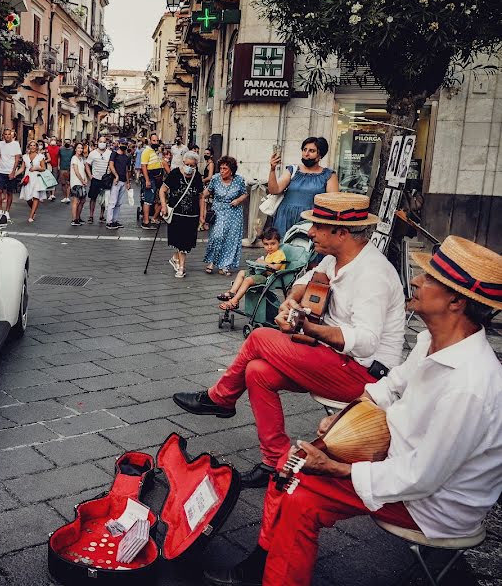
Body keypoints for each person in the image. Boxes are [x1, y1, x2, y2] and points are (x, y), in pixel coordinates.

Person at [205, 235, 502, 586]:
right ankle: (267, 563)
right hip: (404, 464)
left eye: (432, 278)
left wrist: (337, 467)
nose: (418, 280)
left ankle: (270, 567)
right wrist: (341, 421)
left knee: (299, 486)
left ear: (456, 301)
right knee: (293, 467)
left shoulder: (469, 387)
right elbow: (388, 389)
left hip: (434, 504)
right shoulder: (430, 341)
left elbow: (421, 478)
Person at [174, 192, 406, 488]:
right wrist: (291, 302)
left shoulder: (373, 274)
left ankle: (220, 398)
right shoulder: (335, 259)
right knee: (257, 372)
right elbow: (304, 280)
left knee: (258, 337)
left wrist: (309, 328)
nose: (310, 232)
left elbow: (366, 342)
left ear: (342, 232)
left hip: (365, 376)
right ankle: (276, 461)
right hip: (331, 359)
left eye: (318, 226)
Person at [270, 137, 339, 237]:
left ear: (320, 155)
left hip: (311, 221)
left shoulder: (329, 175)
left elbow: (332, 204)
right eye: (304, 150)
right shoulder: (292, 170)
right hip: (285, 217)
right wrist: (272, 169)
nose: (306, 154)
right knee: (283, 250)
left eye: (312, 151)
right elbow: (274, 190)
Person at [159, 151, 206, 278]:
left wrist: (202, 215)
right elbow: (162, 190)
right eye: (188, 164)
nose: (190, 167)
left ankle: (175, 258)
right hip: (177, 213)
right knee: (180, 242)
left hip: (192, 215)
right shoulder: (174, 174)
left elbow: (201, 197)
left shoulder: (197, 177)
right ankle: (181, 268)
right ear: (183, 162)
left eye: (193, 165)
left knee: (187, 242)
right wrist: (163, 205)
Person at [217, 227, 287, 310]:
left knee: (248, 280)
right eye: (266, 244)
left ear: (279, 242)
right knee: (242, 272)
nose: (269, 247)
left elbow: (275, 268)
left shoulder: (279, 254)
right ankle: (232, 292)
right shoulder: (270, 253)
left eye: (273, 244)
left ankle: (234, 301)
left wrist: (263, 262)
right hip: (263, 274)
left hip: (271, 278)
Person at [202, 156, 248, 275]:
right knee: (216, 236)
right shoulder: (215, 179)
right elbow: (206, 193)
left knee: (230, 239)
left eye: (225, 168)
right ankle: (212, 261)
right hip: (218, 211)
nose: (222, 171)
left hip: (234, 213)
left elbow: (244, 194)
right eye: (221, 168)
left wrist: (238, 200)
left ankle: (225, 265)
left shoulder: (239, 180)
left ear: (231, 170)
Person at [0, 129, 22, 225]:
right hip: (1, 171)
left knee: (9, 192)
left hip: (10, 171)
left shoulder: (15, 144)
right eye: (5, 134)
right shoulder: (0, 144)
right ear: (3, 135)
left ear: (11, 135)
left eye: (9, 134)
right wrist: (0, 165)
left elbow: (17, 159)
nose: (7, 136)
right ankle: (0, 209)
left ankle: (7, 211)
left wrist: (13, 171)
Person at [18, 140, 47, 223]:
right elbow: (22, 168)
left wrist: (36, 168)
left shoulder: (40, 156)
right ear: (28, 147)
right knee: (28, 198)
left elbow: (43, 168)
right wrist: (14, 174)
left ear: (36, 147)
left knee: (35, 196)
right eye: (31, 145)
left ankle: (31, 215)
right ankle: (33, 210)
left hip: (37, 177)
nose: (33, 147)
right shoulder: (25, 156)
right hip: (28, 178)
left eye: (34, 145)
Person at [105, 141, 131, 229]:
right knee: (112, 202)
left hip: (123, 181)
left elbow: (127, 170)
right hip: (115, 181)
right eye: (122, 144)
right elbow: (111, 165)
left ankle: (115, 220)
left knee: (119, 203)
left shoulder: (127, 157)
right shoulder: (114, 154)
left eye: (125, 144)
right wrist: (116, 176)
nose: (124, 146)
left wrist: (128, 182)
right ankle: (109, 221)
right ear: (119, 145)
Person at [140, 134, 164, 229]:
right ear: (150, 140)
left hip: (156, 178)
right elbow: (143, 166)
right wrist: (147, 180)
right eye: (154, 141)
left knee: (152, 199)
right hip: (150, 177)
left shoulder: (155, 151)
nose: (156, 142)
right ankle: (146, 221)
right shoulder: (146, 151)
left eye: (157, 141)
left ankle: (148, 220)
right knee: (148, 199)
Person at [86, 136, 112, 224]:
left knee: (104, 198)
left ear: (106, 143)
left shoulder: (110, 153)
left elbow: (112, 164)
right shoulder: (92, 153)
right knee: (93, 198)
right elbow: (87, 164)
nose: (102, 143)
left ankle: (101, 215)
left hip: (106, 179)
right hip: (95, 179)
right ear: (97, 142)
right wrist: (90, 175)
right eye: (101, 141)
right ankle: (91, 215)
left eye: (104, 142)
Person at [69, 143, 89, 226]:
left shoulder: (81, 158)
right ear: (75, 149)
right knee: (76, 201)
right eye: (78, 148)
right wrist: (81, 180)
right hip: (76, 182)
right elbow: (76, 171)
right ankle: (74, 219)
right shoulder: (74, 158)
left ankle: (78, 217)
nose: (80, 150)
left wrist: (85, 179)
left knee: (83, 200)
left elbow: (83, 170)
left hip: (81, 182)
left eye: (81, 148)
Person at [199, 146, 216, 231]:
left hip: (208, 186)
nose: (206, 155)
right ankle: (204, 223)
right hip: (206, 185)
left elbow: (210, 177)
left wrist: (202, 180)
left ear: (211, 155)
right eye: (205, 153)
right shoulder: (208, 163)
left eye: (208, 154)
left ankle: (204, 223)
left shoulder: (211, 164)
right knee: (205, 204)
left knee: (205, 205)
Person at [58, 138, 74, 204]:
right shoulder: (61, 149)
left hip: (69, 168)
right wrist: (58, 165)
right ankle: (65, 196)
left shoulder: (72, 150)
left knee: (68, 183)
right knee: (63, 183)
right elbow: (59, 157)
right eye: (66, 142)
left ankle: (67, 197)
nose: (67, 143)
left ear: (70, 143)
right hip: (62, 167)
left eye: (68, 142)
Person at [46, 137, 60, 201]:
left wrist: (59, 165)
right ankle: (49, 193)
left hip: (55, 165)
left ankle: (52, 194)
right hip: (48, 165)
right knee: (48, 179)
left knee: (54, 179)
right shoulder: (47, 148)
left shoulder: (58, 148)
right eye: (52, 140)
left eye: (55, 140)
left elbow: (59, 157)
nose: (53, 141)